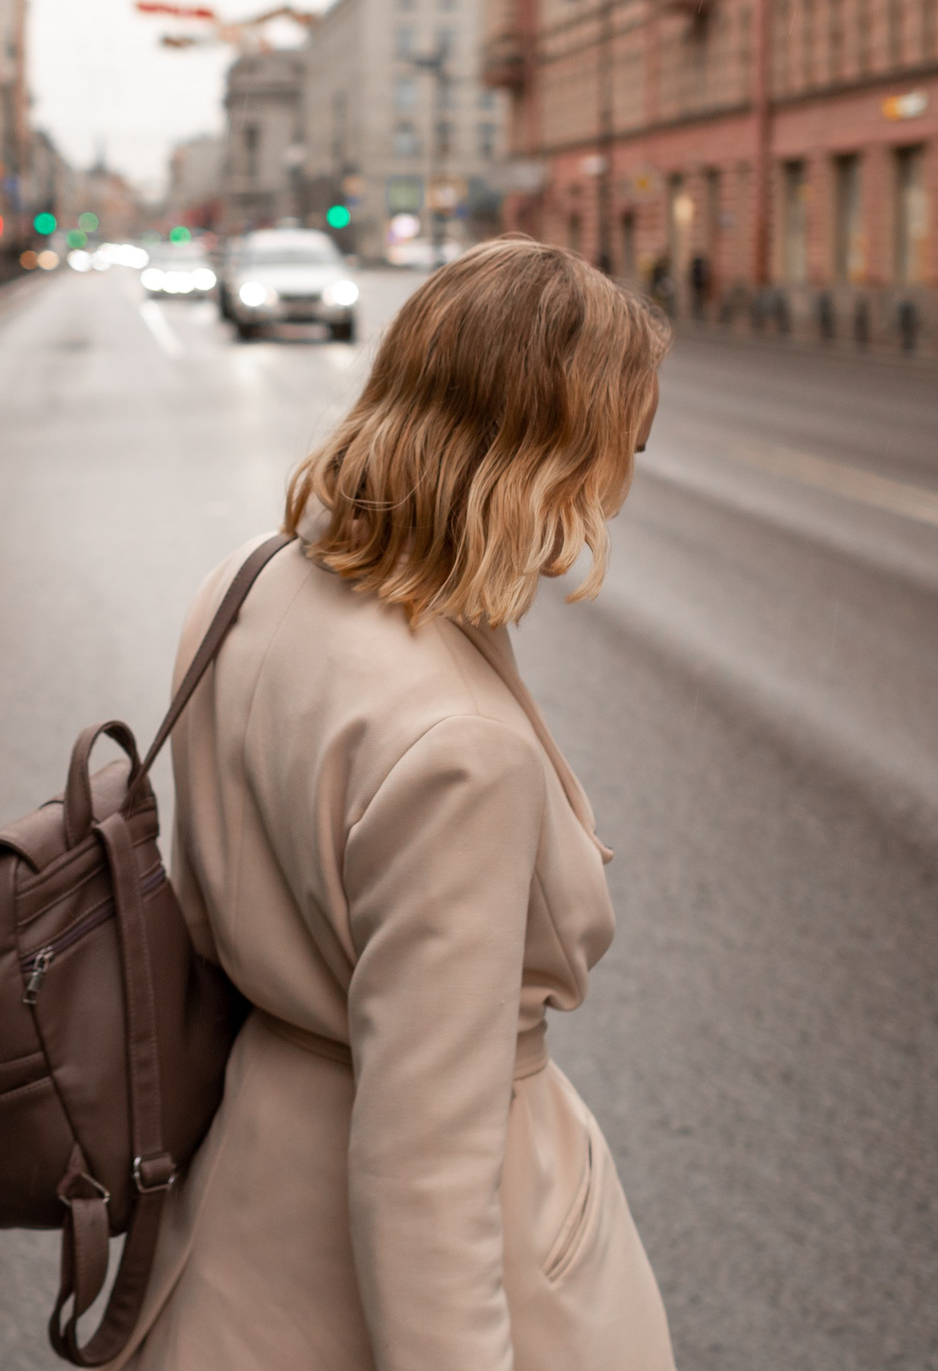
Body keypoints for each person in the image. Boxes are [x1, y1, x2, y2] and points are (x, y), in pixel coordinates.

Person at [117, 238, 676, 1371]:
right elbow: (424, 1169)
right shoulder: (458, 753)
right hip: (410, 1263)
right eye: (622, 435)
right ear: (542, 448)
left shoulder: (250, 584)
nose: (628, 465)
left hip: (242, 1185)